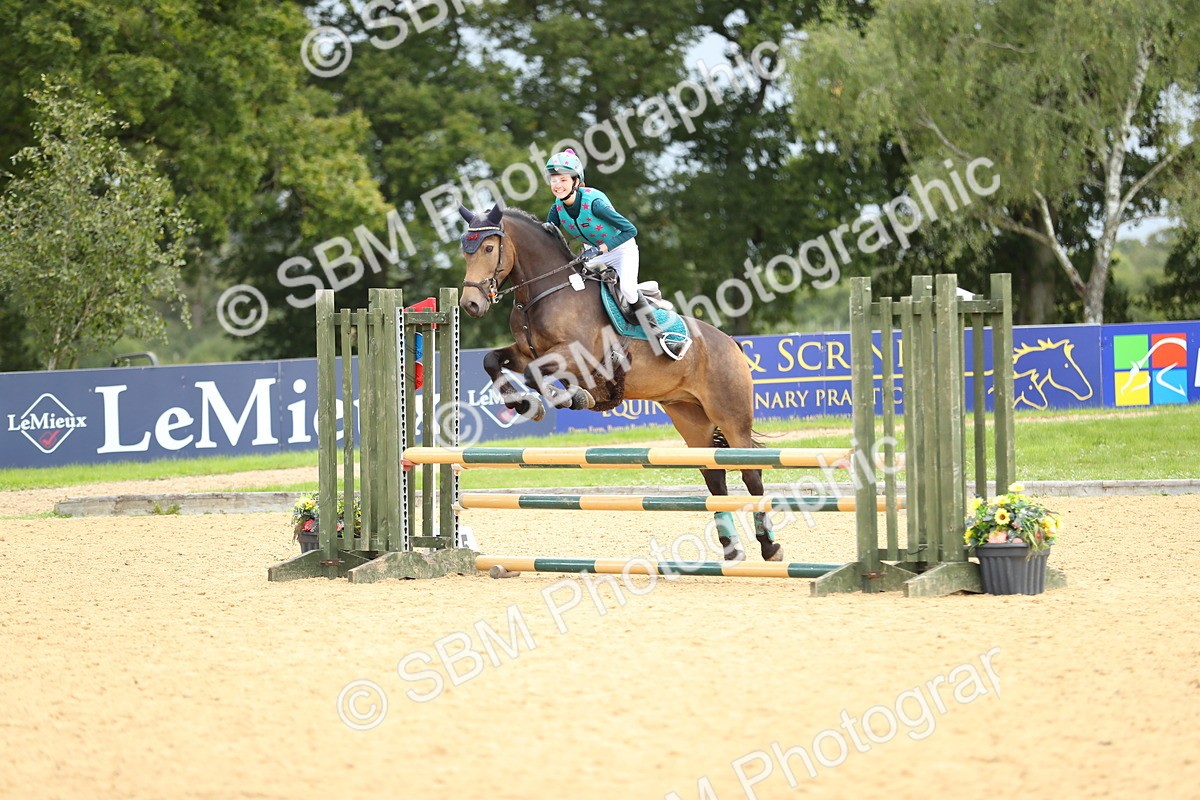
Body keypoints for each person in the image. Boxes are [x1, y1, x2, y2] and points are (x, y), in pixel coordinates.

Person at [544, 148, 684, 359]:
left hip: (621, 249)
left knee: (627, 289)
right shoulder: (557, 209)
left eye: (562, 180)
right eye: (553, 180)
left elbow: (630, 230)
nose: (557, 185)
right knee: (580, 290)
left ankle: (660, 337)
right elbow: (548, 236)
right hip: (592, 255)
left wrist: (599, 249)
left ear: (576, 181)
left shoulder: (595, 203)